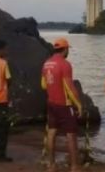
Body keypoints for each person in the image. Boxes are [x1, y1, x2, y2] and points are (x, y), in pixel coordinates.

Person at [41, 38, 82, 172]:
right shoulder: (65, 64)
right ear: (65, 49)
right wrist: (79, 105)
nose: (68, 51)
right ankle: (74, 167)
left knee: (52, 133)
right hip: (64, 105)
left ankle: (51, 165)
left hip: (51, 103)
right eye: (67, 49)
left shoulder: (46, 63)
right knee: (71, 135)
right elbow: (69, 87)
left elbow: (43, 84)